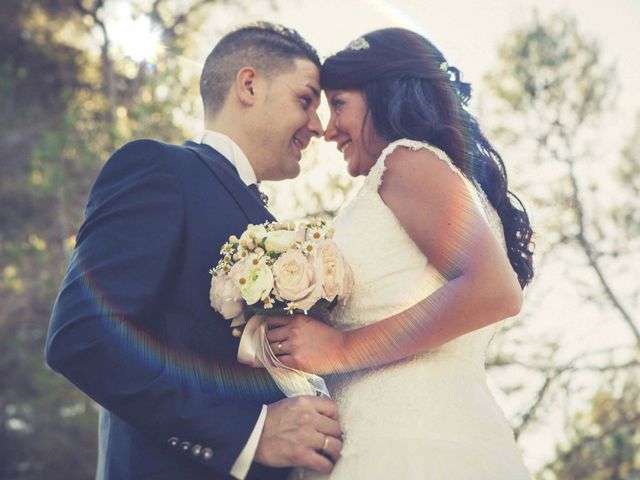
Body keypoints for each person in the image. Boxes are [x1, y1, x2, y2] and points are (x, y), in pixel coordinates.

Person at [45, 23, 343, 480]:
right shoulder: (160, 169)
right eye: (306, 100)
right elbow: (85, 337)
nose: (319, 127)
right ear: (249, 85)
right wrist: (249, 432)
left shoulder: (269, 225)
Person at [265, 28, 535, 479]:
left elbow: (495, 291)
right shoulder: (417, 176)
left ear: (384, 96)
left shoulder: (407, 161)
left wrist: (342, 347)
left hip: (412, 444)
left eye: (341, 106)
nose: (329, 130)